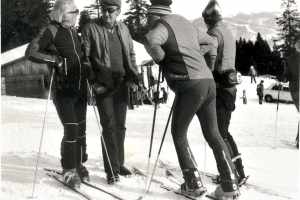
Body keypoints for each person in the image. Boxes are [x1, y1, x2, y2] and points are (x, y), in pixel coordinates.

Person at [143, 0, 240, 199]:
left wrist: (164, 59)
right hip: (208, 82)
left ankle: (192, 183)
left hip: (190, 85)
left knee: (179, 133)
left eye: (148, 17)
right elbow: (210, 42)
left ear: (156, 14)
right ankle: (229, 184)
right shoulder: (184, 22)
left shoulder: (162, 25)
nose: (148, 21)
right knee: (213, 134)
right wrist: (193, 54)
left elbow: (151, 41)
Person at [25, 0, 89, 188]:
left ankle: (78, 164)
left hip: (80, 90)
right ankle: (68, 169)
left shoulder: (73, 32)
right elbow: (31, 52)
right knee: (72, 130)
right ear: (64, 14)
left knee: (81, 131)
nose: (77, 15)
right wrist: (54, 59)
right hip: (62, 90)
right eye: (74, 12)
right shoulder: (51, 30)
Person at [81, 0, 139, 184]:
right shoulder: (90, 29)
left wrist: (133, 77)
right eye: (104, 10)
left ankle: (119, 163)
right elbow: (85, 58)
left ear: (118, 11)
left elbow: (131, 53)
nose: (106, 14)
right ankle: (111, 170)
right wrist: (94, 82)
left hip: (122, 84)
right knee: (109, 127)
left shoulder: (123, 28)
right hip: (104, 86)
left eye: (110, 10)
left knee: (120, 126)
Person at [203, 0, 248, 186]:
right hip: (230, 89)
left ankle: (229, 174)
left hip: (220, 87)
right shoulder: (227, 31)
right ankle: (239, 170)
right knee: (225, 132)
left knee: (219, 134)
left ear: (208, 19)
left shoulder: (213, 33)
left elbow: (211, 57)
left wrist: (206, 72)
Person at [277, 33, 300, 148]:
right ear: (294, 44)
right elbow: (287, 77)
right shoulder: (290, 60)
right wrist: (283, 77)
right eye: (298, 42)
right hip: (296, 90)